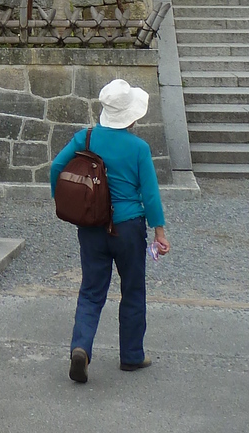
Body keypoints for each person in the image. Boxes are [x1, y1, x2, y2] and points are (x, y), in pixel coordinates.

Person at [50, 79, 170, 382]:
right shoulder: (139, 148)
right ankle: (131, 355)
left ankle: (81, 348)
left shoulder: (85, 138)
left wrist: (62, 199)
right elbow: (151, 193)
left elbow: (56, 168)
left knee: (91, 291)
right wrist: (160, 232)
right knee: (132, 289)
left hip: (91, 226)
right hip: (128, 227)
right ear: (130, 115)